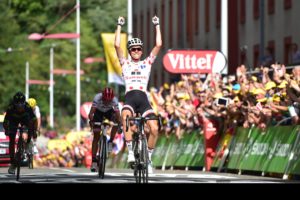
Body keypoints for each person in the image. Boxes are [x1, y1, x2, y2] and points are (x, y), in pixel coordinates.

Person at [114, 15, 162, 174]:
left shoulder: (146, 63)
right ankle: (130, 153)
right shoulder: (125, 63)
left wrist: (157, 25)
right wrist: (119, 25)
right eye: (133, 49)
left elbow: (158, 44)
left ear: (141, 51)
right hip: (130, 98)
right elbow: (116, 45)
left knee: (154, 128)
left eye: (139, 49)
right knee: (126, 117)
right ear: (129, 51)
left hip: (143, 99)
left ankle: (148, 159)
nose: (136, 51)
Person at [3, 92, 38, 174]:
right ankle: (12, 162)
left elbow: (34, 120)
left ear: (24, 104)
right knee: (11, 139)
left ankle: (28, 143)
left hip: (24, 120)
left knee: (30, 124)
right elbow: (5, 121)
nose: (19, 108)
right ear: (14, 104)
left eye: (21, 105)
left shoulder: (27, 107)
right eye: (17, 105)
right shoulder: (10, 108)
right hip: (13, 121)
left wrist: (34, 131)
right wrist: (6, 130)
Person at [88, 87, 121, 172]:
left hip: (109, 112)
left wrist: (119, 124)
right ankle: (94, 161)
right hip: (98, 112)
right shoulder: (97, 97)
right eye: (105, 100)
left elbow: (118, 114)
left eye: (109, 101)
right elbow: (91, 113)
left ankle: (110, 141)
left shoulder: (114, 100)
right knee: (96, 136)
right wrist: (91, 121)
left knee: (117, 122)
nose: (107, 102)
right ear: (102, 96)